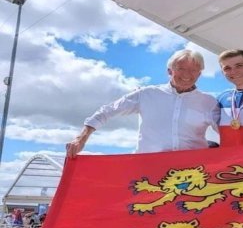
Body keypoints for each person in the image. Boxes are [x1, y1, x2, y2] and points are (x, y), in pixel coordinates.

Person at [67, 49, 219, 157]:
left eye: (193, 70)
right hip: (148, 169)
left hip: (193, 172)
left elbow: (227, 133)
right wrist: (81, 138)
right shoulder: (146, 94)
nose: (187, 75)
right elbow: (106, 111)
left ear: (200, 73)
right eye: (181, 69)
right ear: (169, 71)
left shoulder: (209, 102)